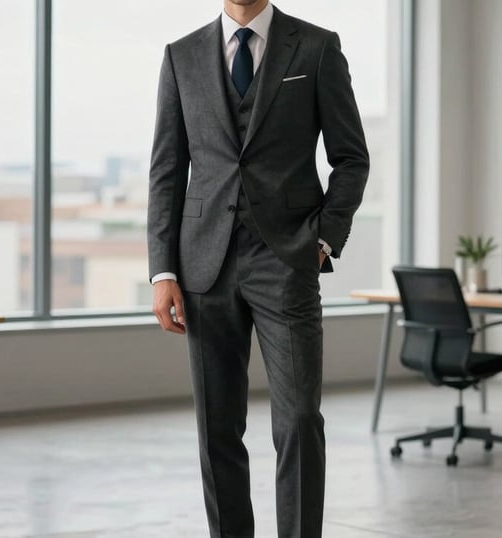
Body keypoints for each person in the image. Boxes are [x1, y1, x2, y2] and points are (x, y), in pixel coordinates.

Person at [147, 1, 369, 536]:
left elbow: (351, 157)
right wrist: (163, 271)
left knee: (297, 421)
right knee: (217, 427)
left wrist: (324, 239)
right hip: (204, 265)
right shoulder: (181, 56)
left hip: (287, 260)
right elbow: (166, 170)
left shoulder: (316, 46)